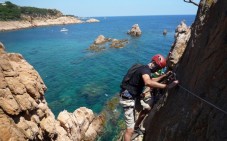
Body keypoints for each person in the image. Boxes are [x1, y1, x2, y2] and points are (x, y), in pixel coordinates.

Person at [119, 54, 179, 141]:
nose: (157, 70)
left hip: (133, 96)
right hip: (128, 99)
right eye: (158, 68)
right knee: (129, 130)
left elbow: (151, 80)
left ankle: (136, 127)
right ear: (154, 63)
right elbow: (148, 82)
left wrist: (164, 76)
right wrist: (167, 86)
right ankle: (133, 129)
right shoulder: (145, 69)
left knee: (147, 108)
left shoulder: (144, 69)